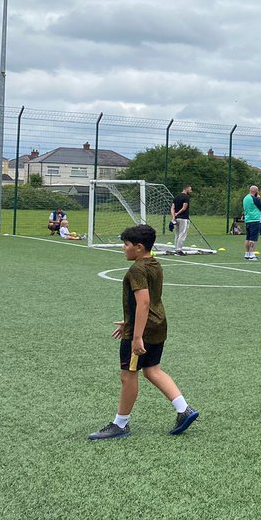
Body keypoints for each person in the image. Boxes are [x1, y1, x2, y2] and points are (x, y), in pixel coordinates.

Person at [87, 224, 199, 440]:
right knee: (152, 370)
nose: (123, 248)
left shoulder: (137, 269)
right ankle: (183, 409)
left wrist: (136, 336)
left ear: (138, 247)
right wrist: (128, 321)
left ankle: (120, 425)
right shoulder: (154, 263)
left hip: (143, 331)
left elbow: (144, 302)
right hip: (158, 325)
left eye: (126, 244)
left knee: (128, 376)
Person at [242, 185, 261, 261]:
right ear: (256, 191)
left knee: (248, 237)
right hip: (254, 219)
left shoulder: (246, 198)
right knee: (253, 238)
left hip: (248, 219)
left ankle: (247, 253)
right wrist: (258, 199)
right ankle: (252, 254)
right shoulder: (255, 199)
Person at [170, 184, 191, 254]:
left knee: (177, 234)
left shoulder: (176, 197)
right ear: (186, 189)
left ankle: (176, 248)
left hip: (177, 219)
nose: (190, 190)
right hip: (183, 218)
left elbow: (172, 208)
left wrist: (173, 217)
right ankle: (179, 250)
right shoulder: (186, 197)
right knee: (182, 234)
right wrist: (177, 214)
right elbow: (184, 208)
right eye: (190, 189)